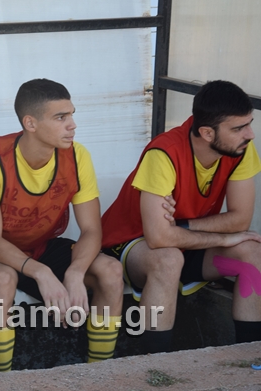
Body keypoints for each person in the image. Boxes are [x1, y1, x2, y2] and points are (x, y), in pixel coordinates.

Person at [0, 78, 124, 372]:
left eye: (71, 115)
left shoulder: (77, 155)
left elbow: (91, 230)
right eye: (61, 117)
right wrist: (42, 273)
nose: (72, 125)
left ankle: (100, 374)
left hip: (38, 247)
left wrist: (75, 272)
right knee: (3, 278)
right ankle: (0, 382)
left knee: (110, 271)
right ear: (30, 123)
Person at [101, 80, 261, 353]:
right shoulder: (164, 153)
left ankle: (249, 359)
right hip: (132, 245)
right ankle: (155, 366)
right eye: (238, 128)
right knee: (168, 258)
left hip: (185, 241)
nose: (250, 134)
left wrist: (182, 226)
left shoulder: (239, 147)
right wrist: (221, 238)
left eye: (249, 124)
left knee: (253, 253)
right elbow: (158, 237)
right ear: (207, 133)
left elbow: (240, 220)